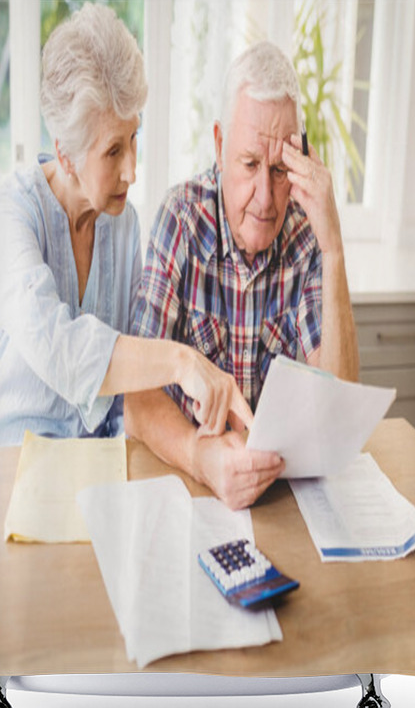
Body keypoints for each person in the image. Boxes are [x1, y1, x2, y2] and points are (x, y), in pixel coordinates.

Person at [0, 4, 251, 449]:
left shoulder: (124, 224)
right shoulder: (15, 209)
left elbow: (131, 373)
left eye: (134, 138)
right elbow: (59, 349)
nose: (132, 171)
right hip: (7, 459)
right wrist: (180, 362)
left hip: (90, 463)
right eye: (114, 151)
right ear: (65, 155)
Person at [125, 41, 359, 510]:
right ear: (219, 144)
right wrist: (200, 456)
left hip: (285, 500)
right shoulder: (182, 217)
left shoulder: (306, 235)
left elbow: (339, 404)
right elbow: (136, 397)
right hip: (188, 489)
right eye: (250, 164)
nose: (267, 198)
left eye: (279, 171)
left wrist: (333, 250)